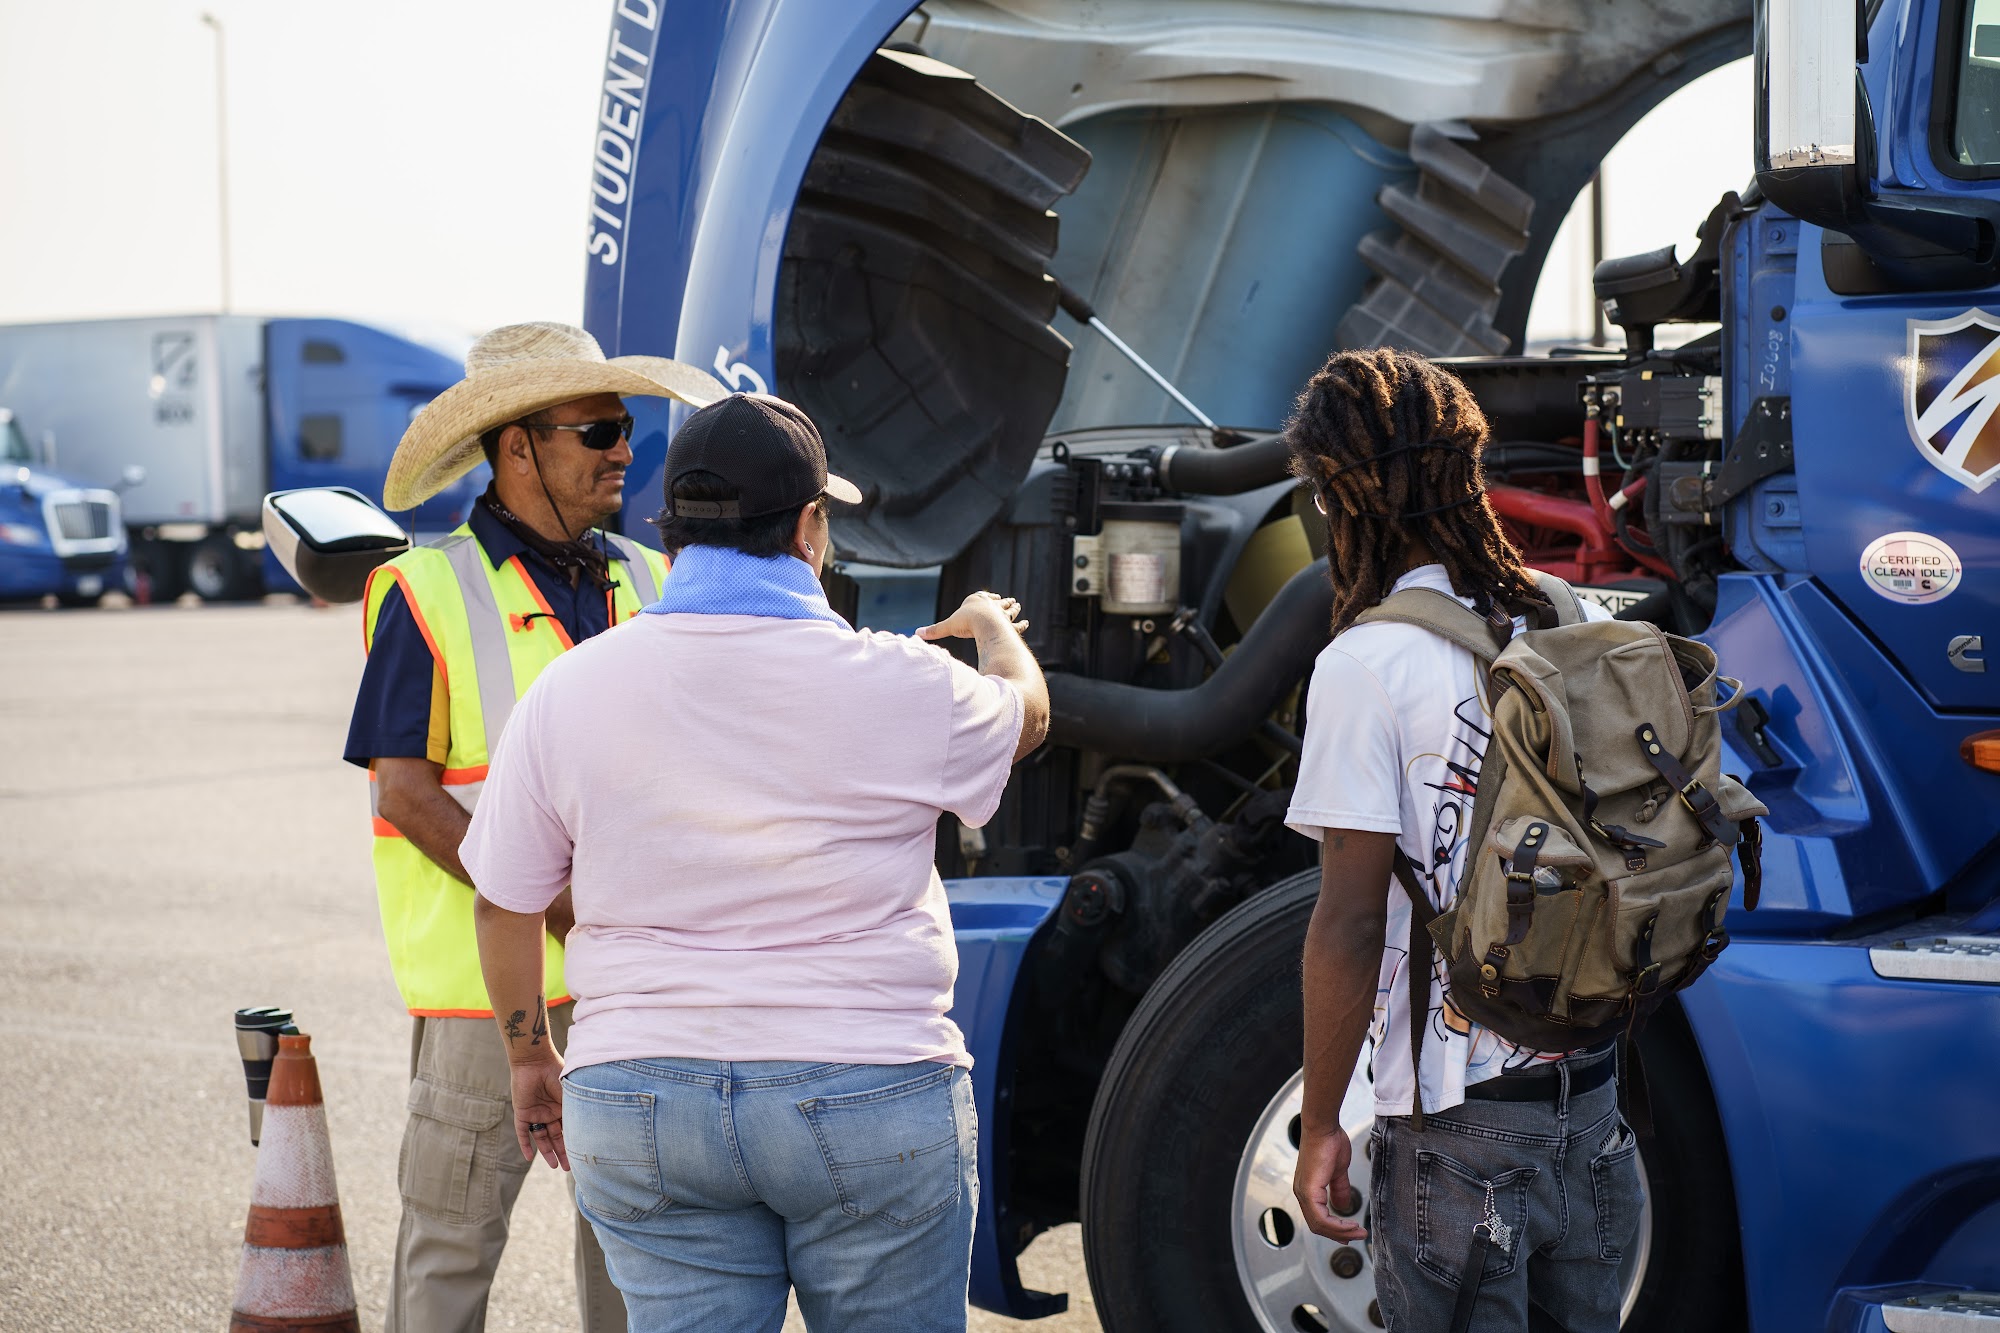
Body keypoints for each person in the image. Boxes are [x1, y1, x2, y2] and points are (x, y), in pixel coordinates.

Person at [460, 392, 1051, 1333]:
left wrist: (530, 1053)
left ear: (674, 532)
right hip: (865, 1085)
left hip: (641, 1095)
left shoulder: (571, 689)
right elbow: (1027, 715)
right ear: (810, 527)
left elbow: (503, 900)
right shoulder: (900, 681)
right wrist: (991, 626)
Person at [343, 321, 721, 1333]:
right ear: (518, 446)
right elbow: (407, 796)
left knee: (639, 1265)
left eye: (626, 427)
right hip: (482, 1002)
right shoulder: (424, 591)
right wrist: (556, 907)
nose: (623, 451)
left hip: (634, 994)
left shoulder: (653, 583)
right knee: (448, 1263)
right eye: (597, 429)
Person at [1281, 348, 1639, 1332]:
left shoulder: (1366, 665)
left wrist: (1319, 1126)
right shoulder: (1563, 620)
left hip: (1456, 1127)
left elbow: (1349, 924)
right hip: (1593, 1106)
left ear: (1341, 495)